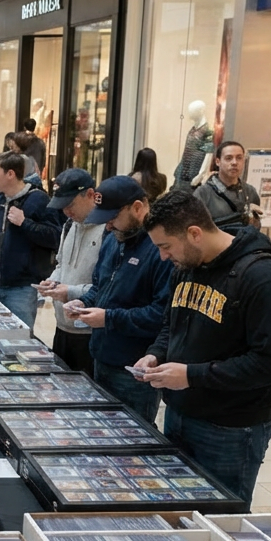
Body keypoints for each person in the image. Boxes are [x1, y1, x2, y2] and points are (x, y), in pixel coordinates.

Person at [135, 191, 271, 502]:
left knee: (220, 521)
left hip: (231, 429)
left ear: (194, 233)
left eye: (166, 247)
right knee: (180, 513)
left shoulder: (262, 278)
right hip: (180, 414)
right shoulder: (186, 267)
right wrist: (156, 353)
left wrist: (192, 376)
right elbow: (172, 324)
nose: (163, 257)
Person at [63, 177, 173, 422]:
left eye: (113, 218)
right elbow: (100, 286)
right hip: (101, 357)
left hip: (134, 368)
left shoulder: (161, 249)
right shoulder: (113, 241)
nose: (109, 227)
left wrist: (109, 318)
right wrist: (84, 302)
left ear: (137, 207)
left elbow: (161, 315)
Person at [0, 152, 62, 327]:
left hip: (22, 288)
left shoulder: (39, 199)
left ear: (10, 174)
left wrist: (25, 223)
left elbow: (55, 237)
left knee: (19, 341)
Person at [37, 169, 104, 376]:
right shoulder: (69, 225)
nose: (66, 211)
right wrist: (52, 282)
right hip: (62, 326)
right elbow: (61, 264)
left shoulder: (107, 230)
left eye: (70, 204)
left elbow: (106, 286)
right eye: (62, 206)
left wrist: (70, 291)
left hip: (89, 332)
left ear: (91, 195)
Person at [195, 140, 261, 230]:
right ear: (218, 162)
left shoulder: (250, 192)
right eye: (228, 158)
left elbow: (255, 229)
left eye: (239, 158)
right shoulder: (203, 193)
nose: (234, 163)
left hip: (243, 242)